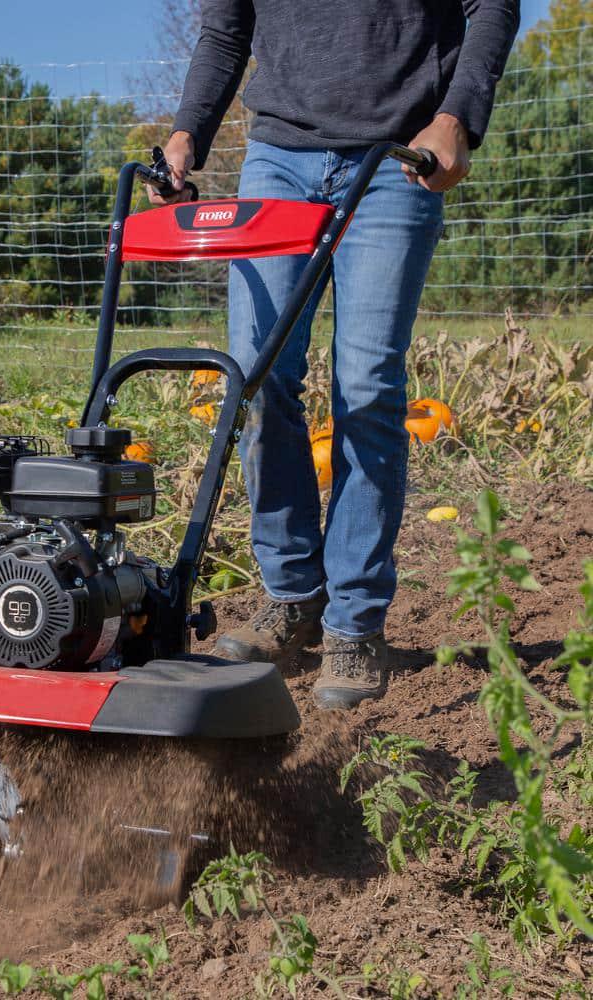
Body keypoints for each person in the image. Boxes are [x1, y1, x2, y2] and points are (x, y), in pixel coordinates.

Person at [150, 1, 519, 709]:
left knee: (367, 384)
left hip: (396, 156)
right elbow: (227, 27)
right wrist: (185, 134)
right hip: (279, 155)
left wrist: (457, 116)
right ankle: (292, 593)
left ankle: (354, 620)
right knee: (256, 377)